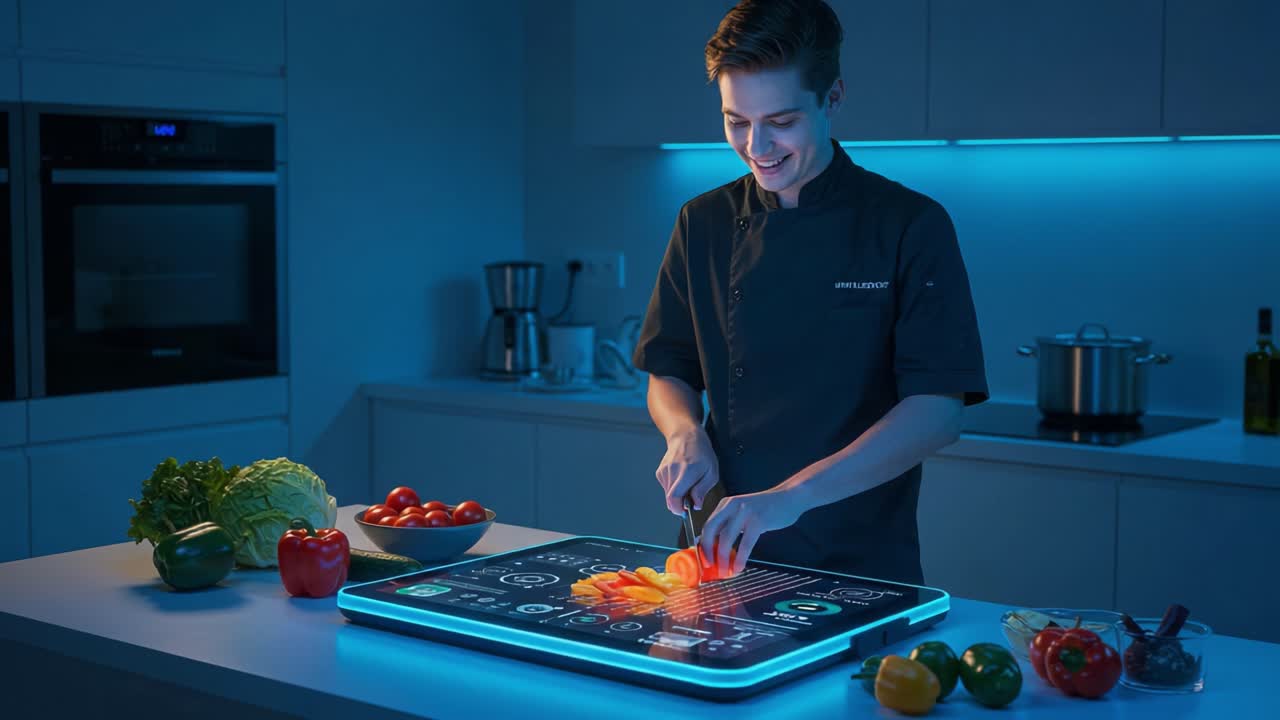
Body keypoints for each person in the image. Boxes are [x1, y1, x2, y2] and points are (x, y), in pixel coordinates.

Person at [631, 0, 988, 586]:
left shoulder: (908, 224)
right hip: (716, 557)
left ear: (834, 98)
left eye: (781, 121)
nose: (757, 146)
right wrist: (683, 432)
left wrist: (790, 496)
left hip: (860, 560)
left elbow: (938, 412)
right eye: (736, 121)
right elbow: (668, 367)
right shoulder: (704, 222)